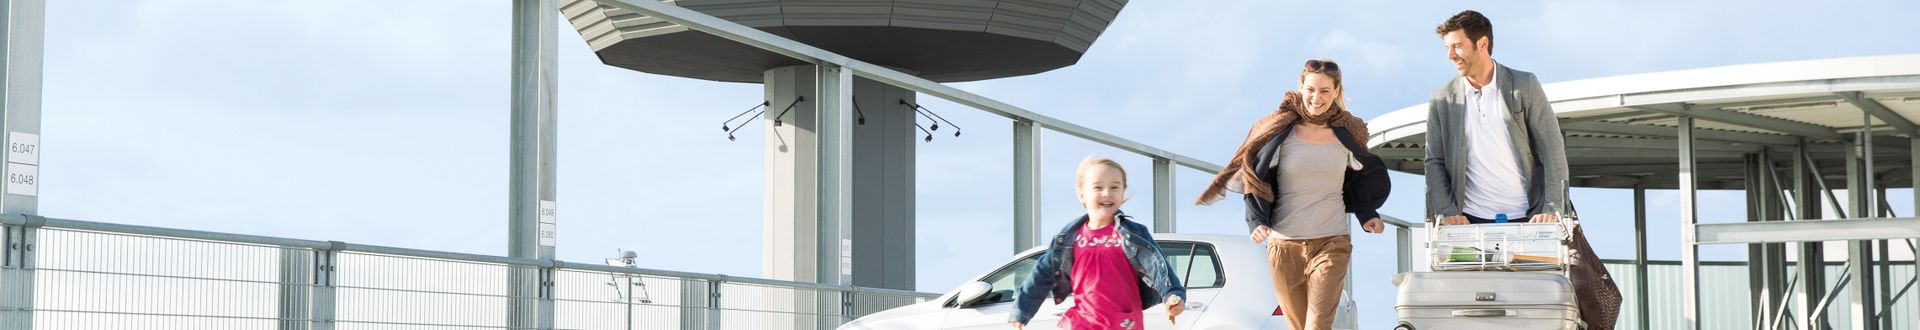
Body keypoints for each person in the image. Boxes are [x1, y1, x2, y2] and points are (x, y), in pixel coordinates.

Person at [1425, 10, 1620, 328]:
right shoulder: (1442, 98)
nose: (1450, 55)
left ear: (1482, 43)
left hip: (1529, 224)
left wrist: (1551, 206)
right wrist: (1447, 210)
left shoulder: (1523, 86)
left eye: (1457, 46)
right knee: (1476, 314)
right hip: (1469, 226)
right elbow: (1433, 161)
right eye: (1447, 47)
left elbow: (1552, 149)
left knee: (1532, 312)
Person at [1195, 59, 1391, 330]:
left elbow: (1358, 180)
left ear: (1336, 91)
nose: (1316, 97)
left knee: (1317, 324)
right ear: (1301, 87)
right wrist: (1257, 221)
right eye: (1310, 89)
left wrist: (1367, 215)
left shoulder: (1348, 132)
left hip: (1331, 241)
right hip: (1284, 246)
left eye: (1325, 91)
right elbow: (1256, 176)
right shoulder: (1278, 129)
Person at [1009, 157, 1186, 330]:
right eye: (1098, 187)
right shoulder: (1069, 239)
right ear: (1082, 194)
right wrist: (1021, 312)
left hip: (1123, 323)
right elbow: (1041, 276)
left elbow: (1158, 267)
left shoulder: (1134, 234)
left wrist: (1172, 294)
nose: (1107, 192)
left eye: (1115, 187)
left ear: (1123, 193)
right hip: (1082, 323)